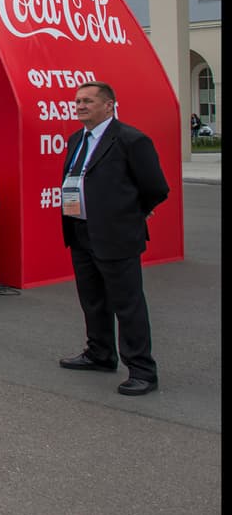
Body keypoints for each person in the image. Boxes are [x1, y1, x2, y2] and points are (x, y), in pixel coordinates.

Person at [58, 81, 168, 397]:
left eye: (88, 101)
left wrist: (132, 213)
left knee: (127, 304)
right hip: (81, 231)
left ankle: (143, 371)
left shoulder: (131, 140)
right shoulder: (76, 139)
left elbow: (156, 187)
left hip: (116, 234)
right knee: (92, 299)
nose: (79, 106)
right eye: (77, 101)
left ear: (109, 105)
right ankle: (100, 353)